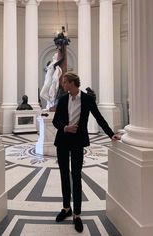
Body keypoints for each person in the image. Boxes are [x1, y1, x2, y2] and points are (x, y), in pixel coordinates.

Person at [52, 72, 121, 233]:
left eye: (64, 82)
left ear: (72, 83)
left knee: (76, 176)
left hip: (77, 142)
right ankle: (66, 207)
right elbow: (56, 121)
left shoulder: (87, 99)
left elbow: (99, 118)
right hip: (62, 140)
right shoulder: (62, 100)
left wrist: (111, 134)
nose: (63, 84)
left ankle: (76, 214)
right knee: (63, 174)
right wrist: (65, 127)